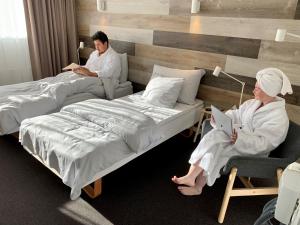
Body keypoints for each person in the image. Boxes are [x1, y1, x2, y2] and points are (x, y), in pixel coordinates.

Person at [171, 68, 293, 196]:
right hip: (239, 138)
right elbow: (237, 114)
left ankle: (197, 185)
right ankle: (191, 178)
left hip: (254, 151)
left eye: (257, 88)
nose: (253, 90)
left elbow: (265, 143)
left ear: (269, 91)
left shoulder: (278, 117)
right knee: (214, 135)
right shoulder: (253, 103)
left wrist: (240, 139)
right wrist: (221, 118)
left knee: (218, 148)